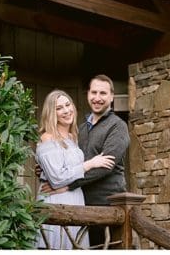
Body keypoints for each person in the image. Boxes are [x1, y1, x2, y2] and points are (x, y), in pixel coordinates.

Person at [35, 89, 115, 249]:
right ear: (52, 113)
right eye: (59, 108)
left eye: (67, 104)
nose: (66, 110)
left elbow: (68, 171)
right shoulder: (47, 138)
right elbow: (57, 179)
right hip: (56, 201)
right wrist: (90, 164)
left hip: (75, 199)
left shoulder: (73, 137)